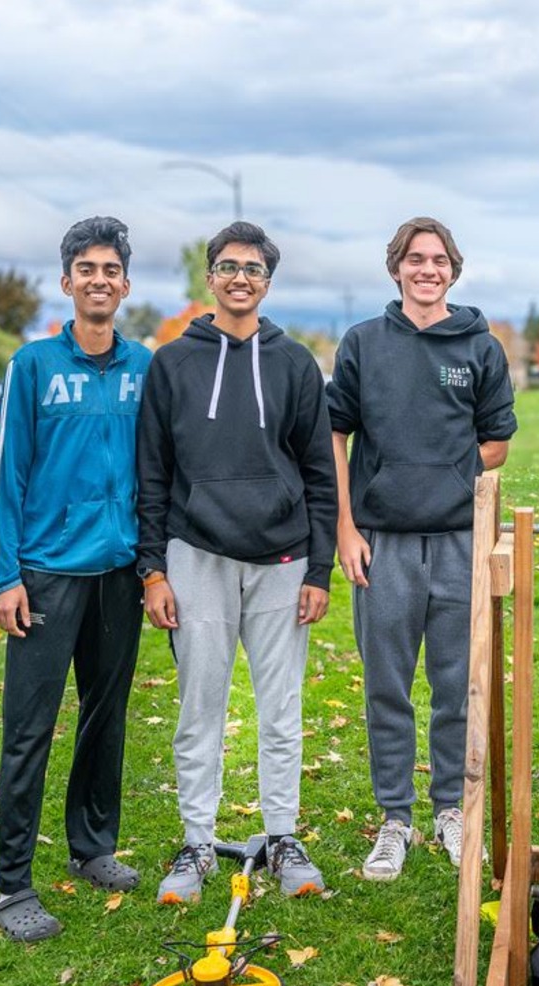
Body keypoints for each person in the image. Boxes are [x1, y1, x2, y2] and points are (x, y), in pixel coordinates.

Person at [137, 221, 336, 903]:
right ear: (209, 278)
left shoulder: (296, 363)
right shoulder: (173, 363)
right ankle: (196, 844)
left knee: (280, 709)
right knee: (201, 708)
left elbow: (318, 471)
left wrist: (319, 570)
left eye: (253, 267)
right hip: (196, 557)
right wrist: (154, 570)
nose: (240, 277)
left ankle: (282, 835)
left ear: (268, 281)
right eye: (228, 266)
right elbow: (152, 475)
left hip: (283, 559)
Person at [326, 217, 517, 881]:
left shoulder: (479, 346)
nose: (427, 269)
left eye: (438, 260)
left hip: (460, 541)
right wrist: (345, 529)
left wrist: (445, 474)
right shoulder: (363, 343)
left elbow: (497, 441)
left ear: (453, 271)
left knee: (455, 686)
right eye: (415, 259)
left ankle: (450, 811)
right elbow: (335, 435)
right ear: (396, 268)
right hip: (382, 543)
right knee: (387, 687)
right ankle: (394, 819)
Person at [0, 217, 152, 941]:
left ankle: (93, 847)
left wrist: (151, 566)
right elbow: (8, 476)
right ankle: (13, 885)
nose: (99, 280)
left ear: (124, 283)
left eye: (110, 269)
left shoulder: (144, 368)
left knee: (105, 717)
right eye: (86, 269)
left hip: (118, 574)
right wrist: (6, 578)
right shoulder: (32, 366)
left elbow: (156, 474)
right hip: (47, 575)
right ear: (67, 283)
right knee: (29, 730)